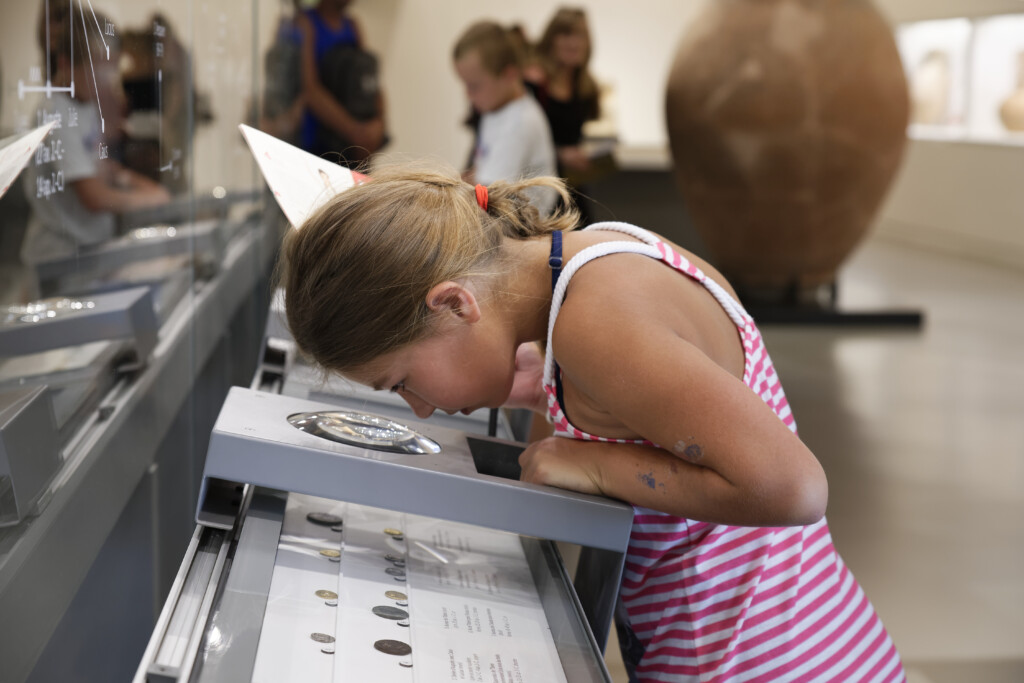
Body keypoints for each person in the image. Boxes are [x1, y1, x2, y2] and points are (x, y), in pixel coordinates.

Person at [279, 168, 906, 682]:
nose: (418, 407)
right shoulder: (600, 256)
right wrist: (559, 408)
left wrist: (588, 463)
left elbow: (793, 488)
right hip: (807, 643)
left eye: (402, 382)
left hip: (761, 662)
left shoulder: (592, 324)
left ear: (453, 303)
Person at [21, 1, 169, 273]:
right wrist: (150, 198)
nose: (108, 80)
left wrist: (135, 182)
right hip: (62, 260)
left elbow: (102, 169)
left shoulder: (86, 105)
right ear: (65, 64)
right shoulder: (55, 113)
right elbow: (93, 196)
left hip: (90, 249)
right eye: (100, 70)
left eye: (112, 69)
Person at [453, 21, 557, 216]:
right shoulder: (495, 110)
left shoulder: (519, 123)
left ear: (509, 75)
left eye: (474, 86)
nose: (468, 94)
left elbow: (485, 197)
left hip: (522, 237)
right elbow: (480, 171)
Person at [295, 0, 386, 166]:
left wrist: (377, 125)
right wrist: (354, 131)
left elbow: (368, 80)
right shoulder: (305, 24)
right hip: (318, 144)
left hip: (353, 146)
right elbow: (309, 90)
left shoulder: (352, 25)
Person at [524, 8, 601, 184]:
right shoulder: (533, 83)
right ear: (551, 39)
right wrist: (559, 153)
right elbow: (522, 143)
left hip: (571, 184)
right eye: (566, 34)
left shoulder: (586, 87)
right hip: (537, 185)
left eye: (580, 35)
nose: (574, 43)